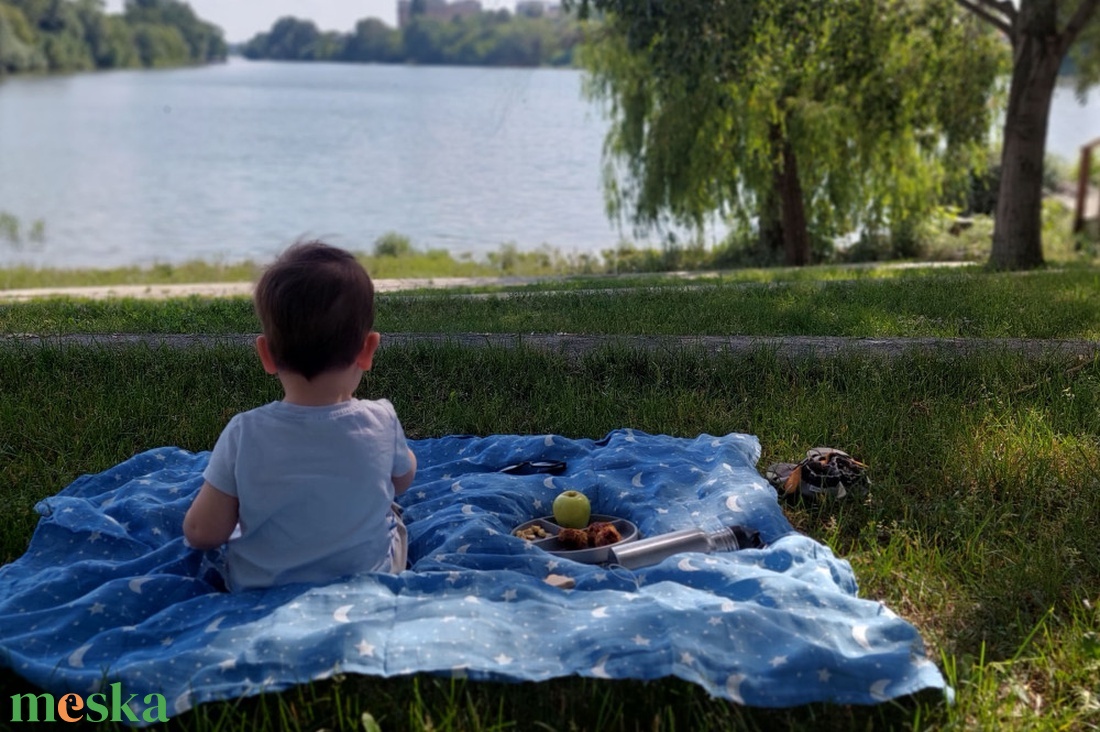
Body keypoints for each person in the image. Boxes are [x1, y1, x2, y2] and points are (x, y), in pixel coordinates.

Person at [183, 240, 417, 591]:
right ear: (368, 350)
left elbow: (202, 532)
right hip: (367, 584)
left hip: (262, 591)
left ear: (266, 353)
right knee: (393, 518)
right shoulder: (381, 420)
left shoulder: (243, 433)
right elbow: (402, 479)